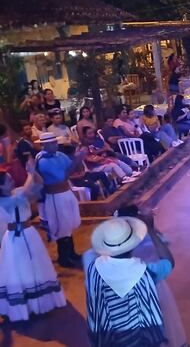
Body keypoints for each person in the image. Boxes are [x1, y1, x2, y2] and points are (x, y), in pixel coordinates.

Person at [85, 215, 175, 347]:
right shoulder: (144, 272)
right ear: (133, 245)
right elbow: (169, 262)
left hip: (109, 339)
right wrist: (151, 230)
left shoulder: (94, 268)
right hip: (140, 340)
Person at [0, 158, 67, 321]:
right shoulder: (4, 200)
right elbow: (26, 191)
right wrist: (30, 171)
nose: (11, 180)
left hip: (29, 234)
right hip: (16, 239)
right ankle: (26, 306)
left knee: (36, 266)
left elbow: (38, 184)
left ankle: (39, 303)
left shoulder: (16, 192)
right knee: (21, 270)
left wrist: (34, 172)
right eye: (8, 179)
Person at [35, 132, 87, 268]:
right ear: (44, 145)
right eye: (52, 143)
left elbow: (71, 167)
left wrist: (77, 158)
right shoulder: (43, 160)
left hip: (65, 192)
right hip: (55, 195)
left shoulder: (59, 155)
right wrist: (78, 158)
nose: (55, 145)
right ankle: (64, 258)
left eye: (55, 142)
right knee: (61, 226)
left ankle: (71, 253)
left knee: (69, 223)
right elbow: (62, 175)